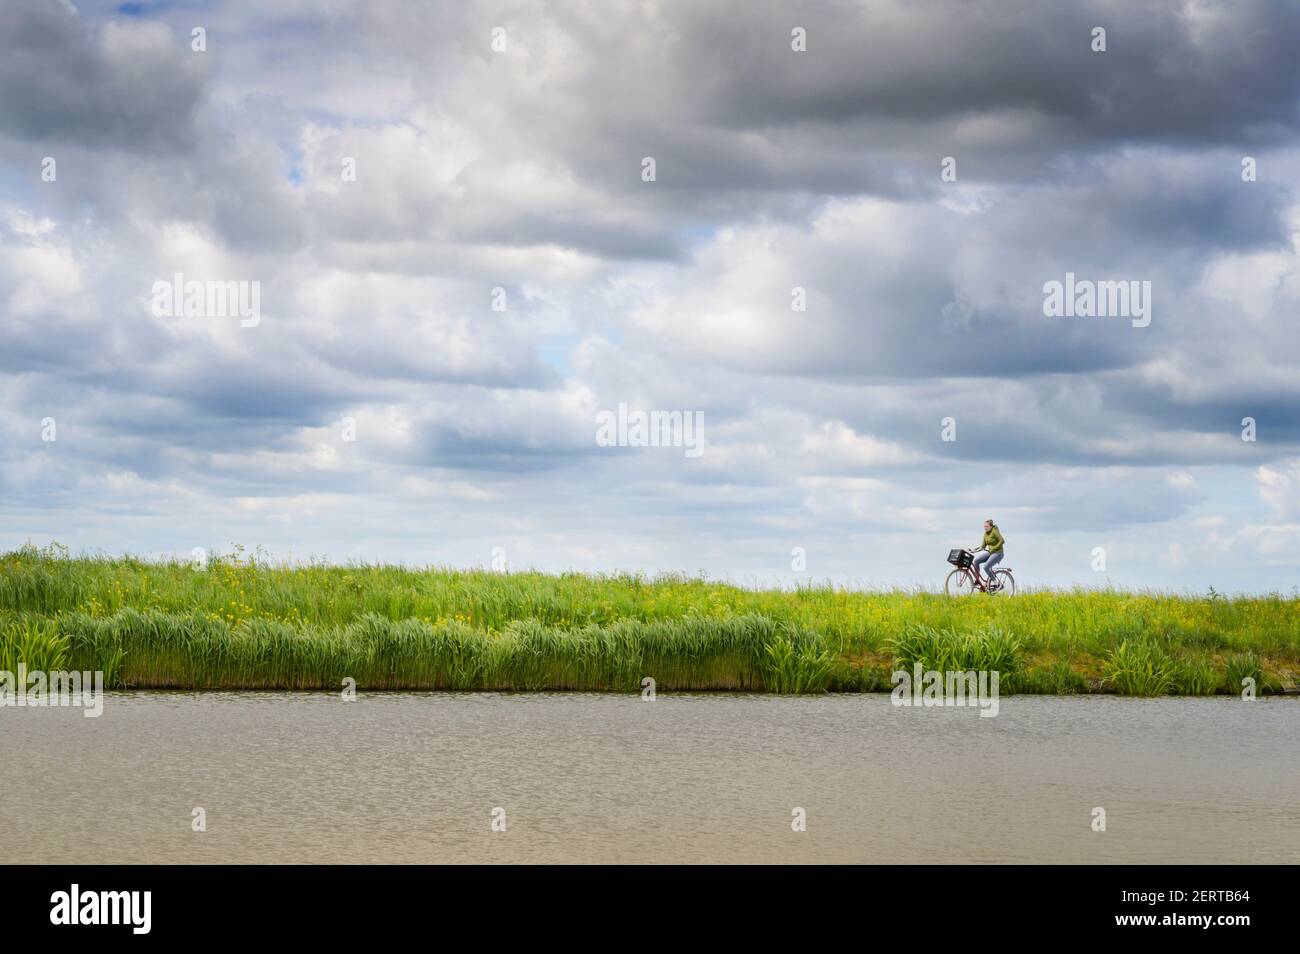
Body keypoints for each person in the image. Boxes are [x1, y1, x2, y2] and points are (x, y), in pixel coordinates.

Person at [972, 519, 1004, 590]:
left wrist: (994, 548)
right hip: (990, 552)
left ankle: (996, 583)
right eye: (984, 526)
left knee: (986, 567)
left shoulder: (994, 531)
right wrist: (974, 550)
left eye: (986, 526)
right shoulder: (985, 534)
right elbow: (982, 546)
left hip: (998, 553)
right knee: (976, 561)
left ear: (991, 526)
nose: (985, 528)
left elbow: (1002, 540)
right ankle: (977, 579)